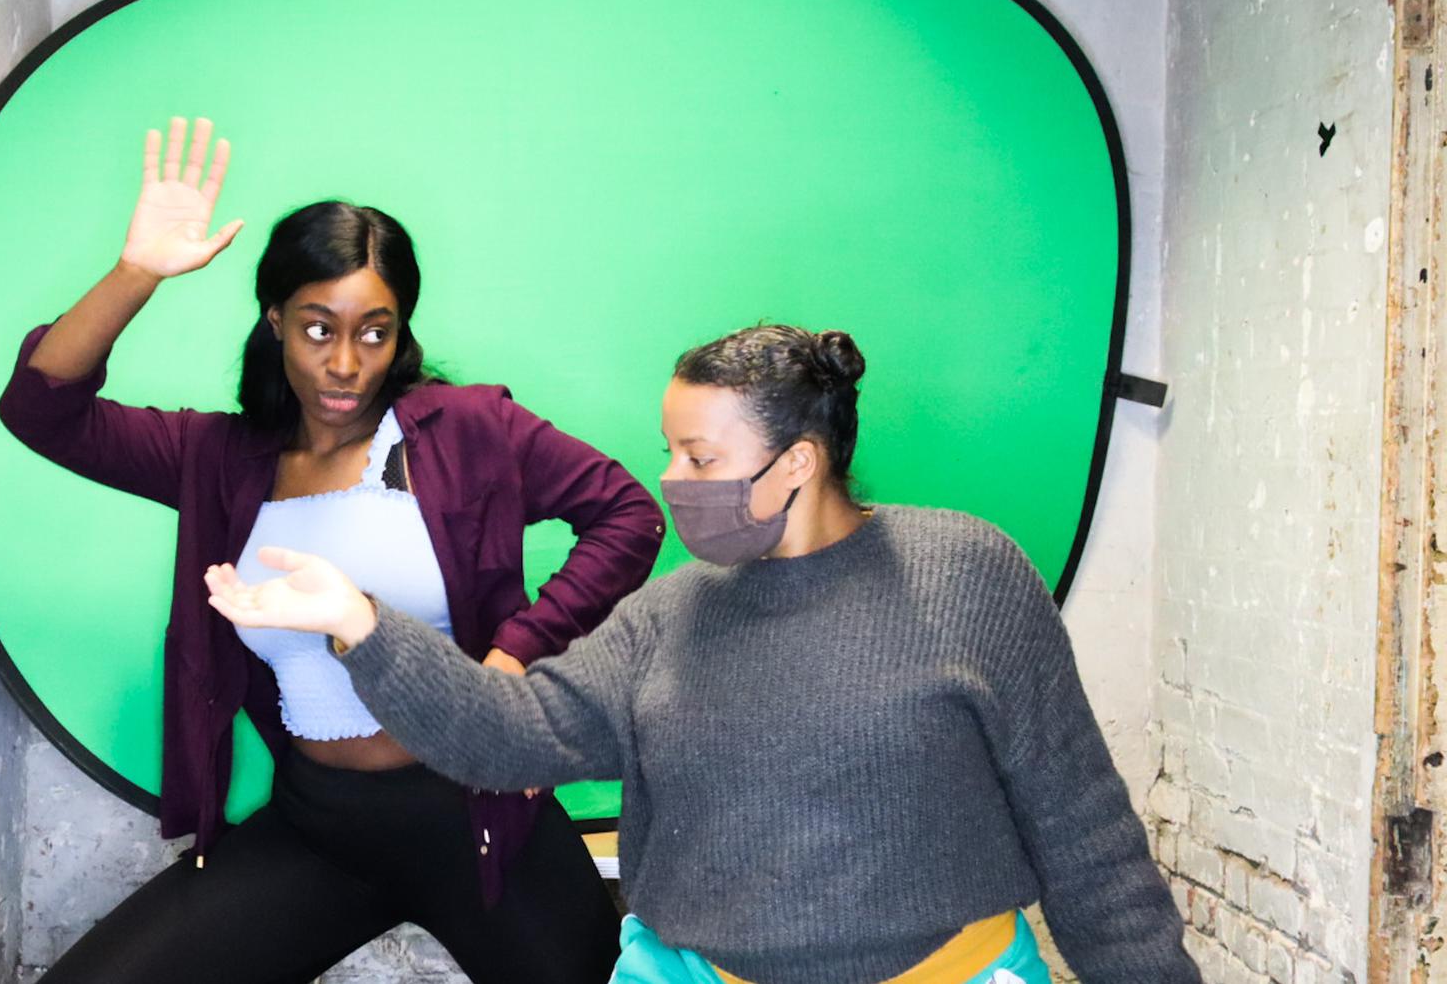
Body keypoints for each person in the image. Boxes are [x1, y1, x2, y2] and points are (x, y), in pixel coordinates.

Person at [205, 324, 1202, 984]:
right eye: (670, 449)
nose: (670, 479)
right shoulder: (667, 617)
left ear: (798, 463)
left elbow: (1082, 824)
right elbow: (509, 736)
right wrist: (363, 624)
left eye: (701, 458)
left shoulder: (966, 573)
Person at [0, 117, 664, 983]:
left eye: (374, 331)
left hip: (476, 815)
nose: (347, 362)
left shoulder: (467, 431)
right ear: (275, 319)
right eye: (318, 328)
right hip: (321, 824)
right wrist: (137, 276)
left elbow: (626, 514)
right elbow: (38, 411)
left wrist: (514, 660)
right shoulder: (222, 458)